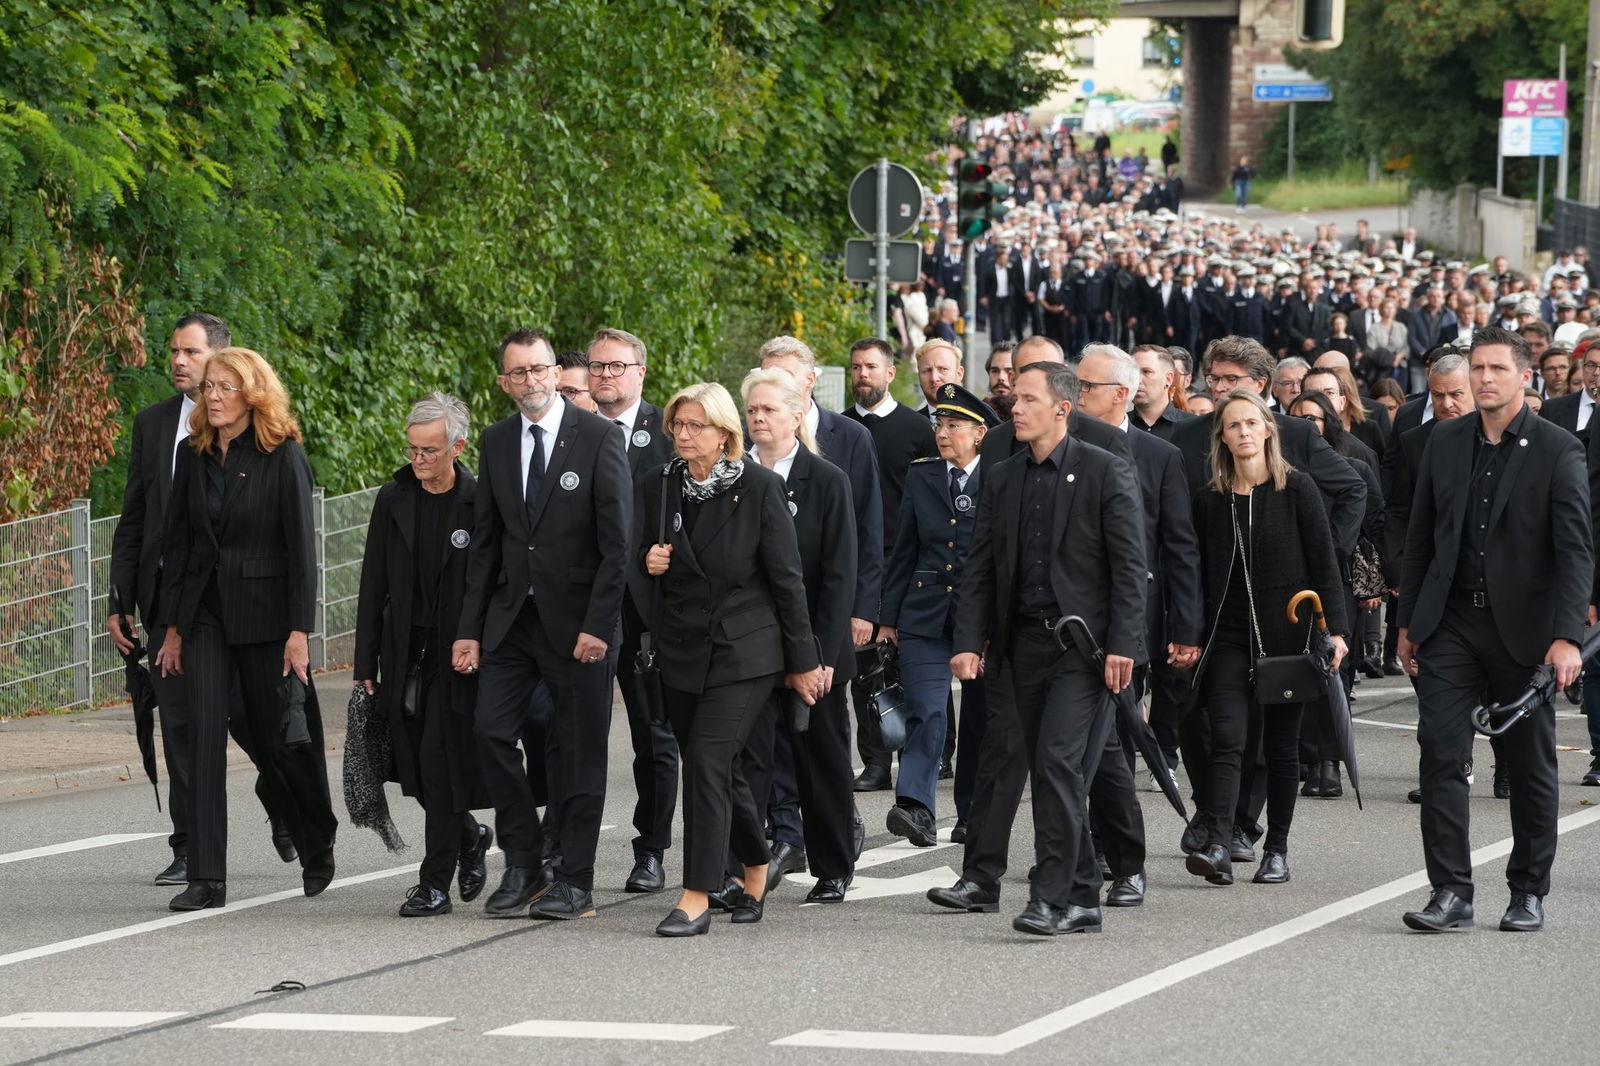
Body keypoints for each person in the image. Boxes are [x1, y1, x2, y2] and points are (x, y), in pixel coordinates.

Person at [940, 360, 1146, 935]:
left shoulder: (1105, 470)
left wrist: (1123, 646)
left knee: (1056, 763)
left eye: (1028, 399)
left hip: (1083, 650)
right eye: (1015, 400)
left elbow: (1130, 569)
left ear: (1063, 407)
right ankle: (1082, 895)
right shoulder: (1001, 477)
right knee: (1040, 764)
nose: (1015, 408)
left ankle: (1049, 897)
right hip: (1020, 645)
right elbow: (979, 565)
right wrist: (967, 641)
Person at [1397, 327, 1592, 933]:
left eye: (1496, 369)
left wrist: (1566, 637)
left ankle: (1528, 889)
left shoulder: (1558, 449)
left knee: (1531, 765)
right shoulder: (1444, 443)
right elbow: (1421, 536)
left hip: (1526, 630)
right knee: (1439, 753)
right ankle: (1451, 892)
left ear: (1524, 376)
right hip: (1450, 622)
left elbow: (1575, 549)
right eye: (1477, 368)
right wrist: (1408, 625)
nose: (1484, 378)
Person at [453, 328, 632, 921]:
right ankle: (524, 861)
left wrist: (599, 626)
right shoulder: (497, 441)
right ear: (504, 382)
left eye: (539, 370)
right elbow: (485, 544)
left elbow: (617, 544)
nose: (529, 381)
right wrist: (469, 628)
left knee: (579, 753)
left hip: (580, 626)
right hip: (511, 622)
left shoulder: (599, 438)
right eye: (518, 373)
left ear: (557, 373)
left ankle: (574, 879)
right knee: (489, 731)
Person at [636, 382, 826, 937]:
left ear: (725, 435)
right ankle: (758, 864)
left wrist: (803, 660)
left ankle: (696, 893)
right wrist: (648, 559)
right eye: (677, 425)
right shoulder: (661, 484)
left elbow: (788, 582)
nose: (683, 435)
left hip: (745, 651)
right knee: (722, 768)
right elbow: (640, 555)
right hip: (682, 648)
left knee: (706, 763)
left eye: (696, 426)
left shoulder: (760, 488)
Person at [108, 312, 290, 886]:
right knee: (183, 724)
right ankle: (190, 846)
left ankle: (285, 799)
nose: (179, 362)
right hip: (169, 603)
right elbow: (134, 516)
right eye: (174, 352)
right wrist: (120, 598)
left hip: (238, 603)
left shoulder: (257, 438)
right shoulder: (154, 425)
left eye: (190, 352)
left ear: (220, 358)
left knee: (251, 719)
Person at [153, 347, 337, 910]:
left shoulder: (282, 456)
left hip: (268, 618)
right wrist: (174, 628)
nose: (211, 395)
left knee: (280, 740)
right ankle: (208, 878)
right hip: (205, 616)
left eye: (224, 387)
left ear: (252, 394)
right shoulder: (193, 454)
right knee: (204, 738)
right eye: (209, 386)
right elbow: (181, 547)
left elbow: (302, 551)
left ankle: (315, 840)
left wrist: (299, 630)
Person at [1186, 388, 1348, 888]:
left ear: (1268, 429)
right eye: (1233, 426)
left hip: (1288, 640)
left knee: (1281, 748)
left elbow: (1324, 562)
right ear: (1223, 438)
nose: (1244, 433)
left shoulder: (1296, 489)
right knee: (1227, 740)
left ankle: (1275, 848)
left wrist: (1336, 632)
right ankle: (1217, 841)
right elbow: (1195, 574)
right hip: (1229, 637)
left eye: (1251, 423)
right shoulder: (1209, 499)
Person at [353, 393, 493, 916]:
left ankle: (433, 884)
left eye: (430, 451)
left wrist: (478, 641)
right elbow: (373, 582)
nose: (419, 460)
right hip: (403, 652)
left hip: (457, 656)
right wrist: (365, 662)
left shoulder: (480, 501)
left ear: (456, 447)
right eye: (413, 450)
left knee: (439, 763)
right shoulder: (394, 499)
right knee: (412, 767)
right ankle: (471, 835)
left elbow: (487, 583)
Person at [738, 368, 859, 904]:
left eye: (769, 409)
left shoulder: (826, 479)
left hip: (814, 646)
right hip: (752, 645)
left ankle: (833, 865)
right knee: (752, 760)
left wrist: (823, 655)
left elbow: (838, 576)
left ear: (796, 414)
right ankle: (747, 867)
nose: (759, 418)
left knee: (821, 759)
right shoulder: (732, 475)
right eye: (752, 410)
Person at [757, 337, 884, 798]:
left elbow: (868, 528)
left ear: (810, 381)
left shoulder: (849, 437)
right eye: (767, 375)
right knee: (773, 733)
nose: (775, 386)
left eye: (786, 376)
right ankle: (784, 825)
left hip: (828, 608)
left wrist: (863, 608)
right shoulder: (750, 446)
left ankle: (837, 823)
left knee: (824, 729)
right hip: (767, 616)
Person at [582, 327, 679, 893]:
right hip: (587, 608)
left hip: (649, 613)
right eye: (597, 367)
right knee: (578, 733)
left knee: (654, 736)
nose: (606, 376)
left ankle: (652, 850)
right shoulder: (573, 433)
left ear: (641, 372)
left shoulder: (671, 432)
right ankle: (570, 852)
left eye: (617, 366)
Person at [881, 383, 996, 846]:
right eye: (939, 424)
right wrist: (888, 617)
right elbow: (903, 548)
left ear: (980, 432)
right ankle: (915, 807)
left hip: (982, 618)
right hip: (924, 615)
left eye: (954, 425)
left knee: (980, 721)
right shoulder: (923, 475)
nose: (943, 434)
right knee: (927, 711)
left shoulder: (1002, 476)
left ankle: (972, 813)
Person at [843, 337, 937, 557]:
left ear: (890, 373)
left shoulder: (920, 429)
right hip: (848, 553)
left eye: (871, 367)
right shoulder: (837, 429)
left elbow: (932, 501)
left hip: (901, 556)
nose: (862, 374)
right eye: (856, 367)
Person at [1131, 343, 1196, 439]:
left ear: (1168, 379)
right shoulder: (1116, 425)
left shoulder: (1194, 428)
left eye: (1147, 372)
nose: (1137, 379)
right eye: (1133, 372)